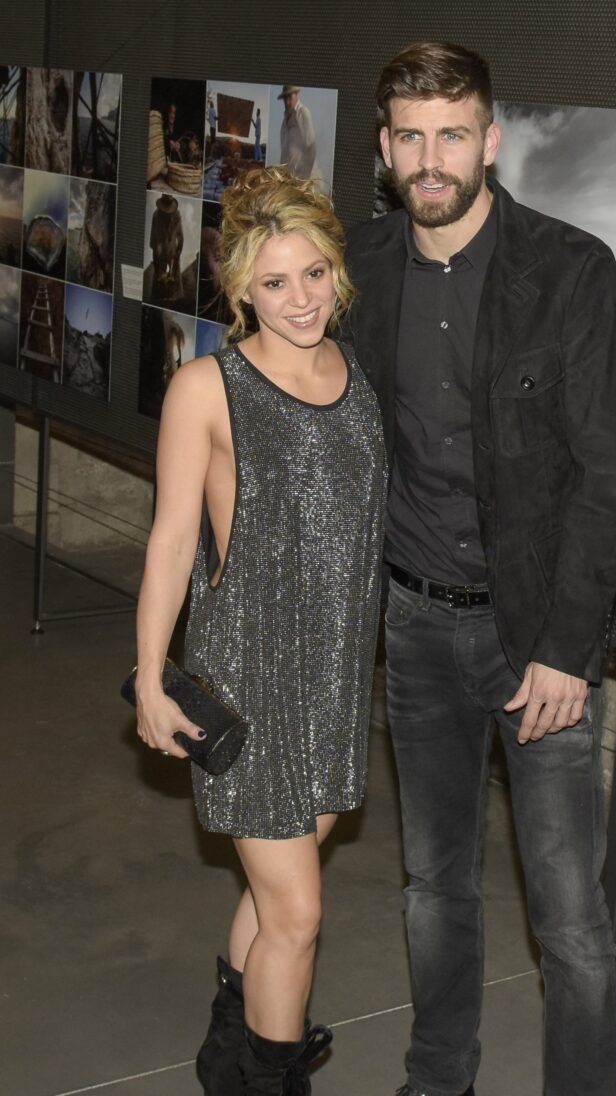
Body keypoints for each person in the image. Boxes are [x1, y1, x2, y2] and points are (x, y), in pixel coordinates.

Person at [344, 42, 616, 1096]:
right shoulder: (359, 266)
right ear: (384, 147)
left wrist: (566, 650)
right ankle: (438, 1078)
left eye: (451, 134)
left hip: (534, 641)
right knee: (434, 885)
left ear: (489, 141)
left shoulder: (566, 273)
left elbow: (605, 479)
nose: (431, 158)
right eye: (410, 137)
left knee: (568, 916)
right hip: (415, 626)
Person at [134, 166, 386, 1095]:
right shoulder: (207, 386)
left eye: (313, 273)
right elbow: (169, 540)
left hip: (332, 679)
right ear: (239, 286)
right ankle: (274, 1076)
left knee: (278, 890)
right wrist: (152, 675)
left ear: (336, 271)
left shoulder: (356, 376)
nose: (299, 299)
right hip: (247, 675)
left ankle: (228, 1043)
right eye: (274, 282)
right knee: (298, 915)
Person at [277, 85, 323, 188]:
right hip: (289, 178)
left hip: (304, 179)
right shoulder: (285, 120)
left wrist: (303, 179)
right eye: (285, 99)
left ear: (296, 95)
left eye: (290, 98)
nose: (287, 102)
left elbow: (311, 147)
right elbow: (284, 150)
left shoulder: (303, 113)